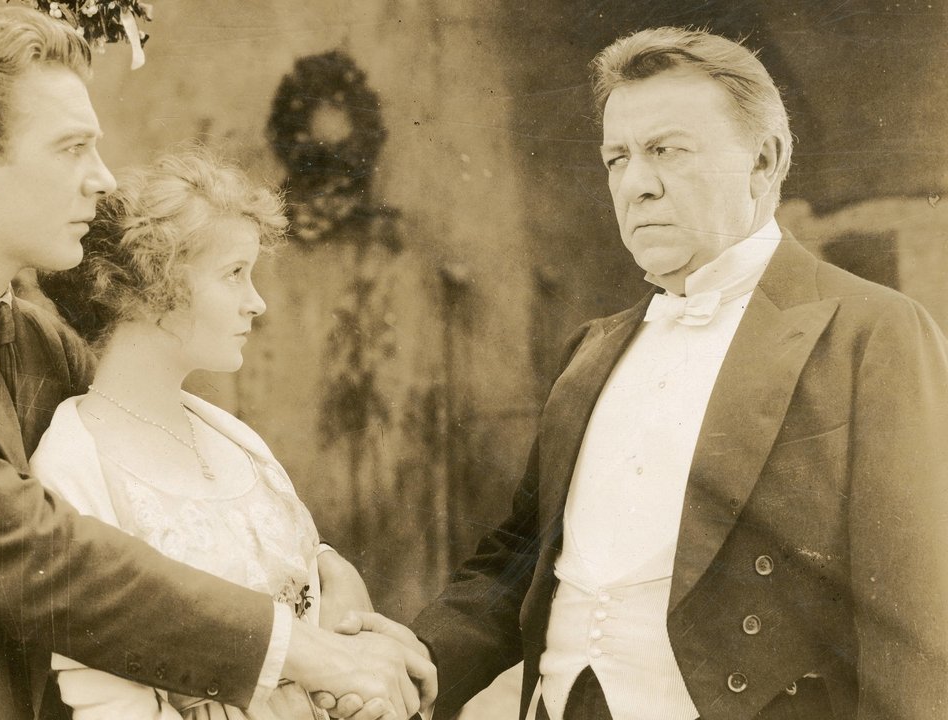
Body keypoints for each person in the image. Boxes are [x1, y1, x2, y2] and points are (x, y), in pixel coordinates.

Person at [0, 8, 432, 720]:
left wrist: (329, 581)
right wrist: (304, 652)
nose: (101, 179)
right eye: (71, 148)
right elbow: (34, 554)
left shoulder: (43, 340)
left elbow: (154, 504)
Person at [390, 26, 948, 720]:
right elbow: (522, 556)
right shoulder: (592, 349)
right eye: (617, 158)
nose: (637, 186)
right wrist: (408, 664)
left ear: (764, 161)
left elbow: (919, 624)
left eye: (667, 151)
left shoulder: (872, 331)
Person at [29, 148, 382, 720]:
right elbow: (103, 698)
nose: (256, 303)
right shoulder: (74, 462)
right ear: (153, 287)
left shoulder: (234, 440)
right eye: (234, 274)